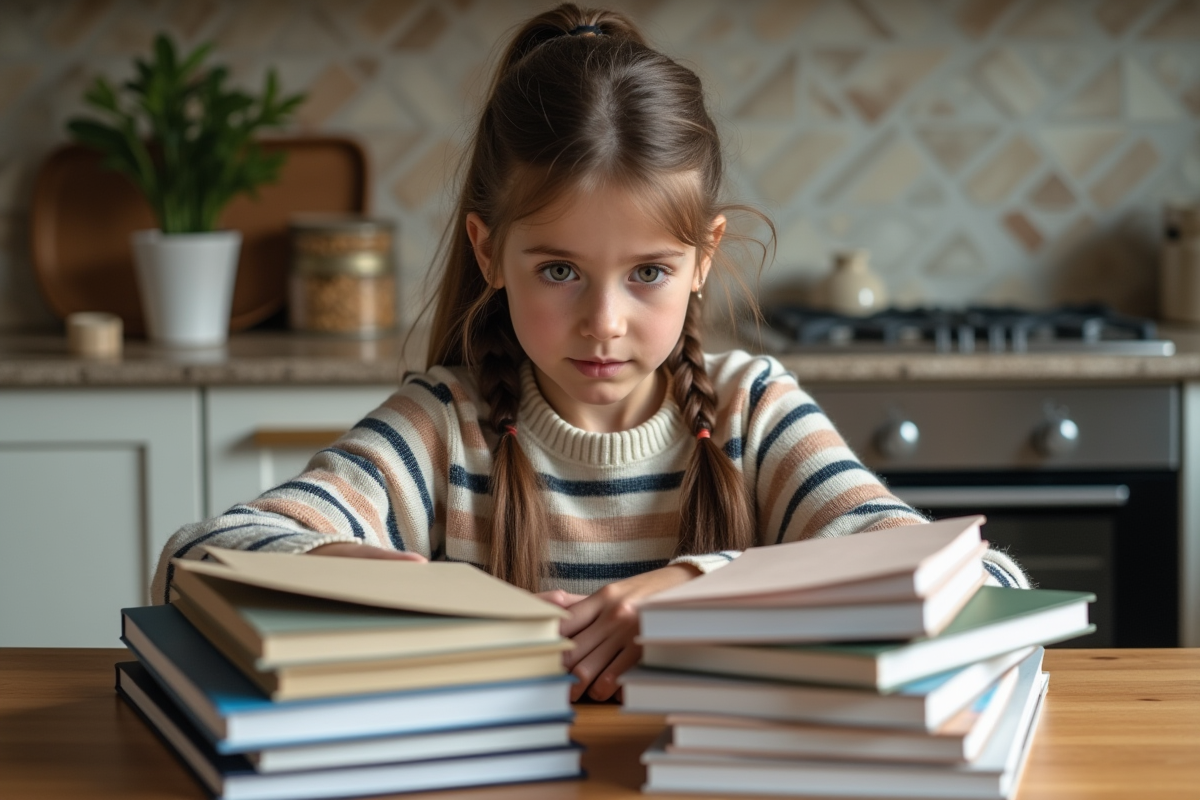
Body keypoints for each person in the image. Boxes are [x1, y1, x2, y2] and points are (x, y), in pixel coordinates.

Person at [152, 3, 1027, 703]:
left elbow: (982, 578)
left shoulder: (752, 411)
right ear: (489, 253)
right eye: (560, 269)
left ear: (704, 258)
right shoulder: (443, 427)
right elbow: (196, 560)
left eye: (648, 271)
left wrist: (699, 590)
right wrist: (409, 591)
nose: (603, 322)